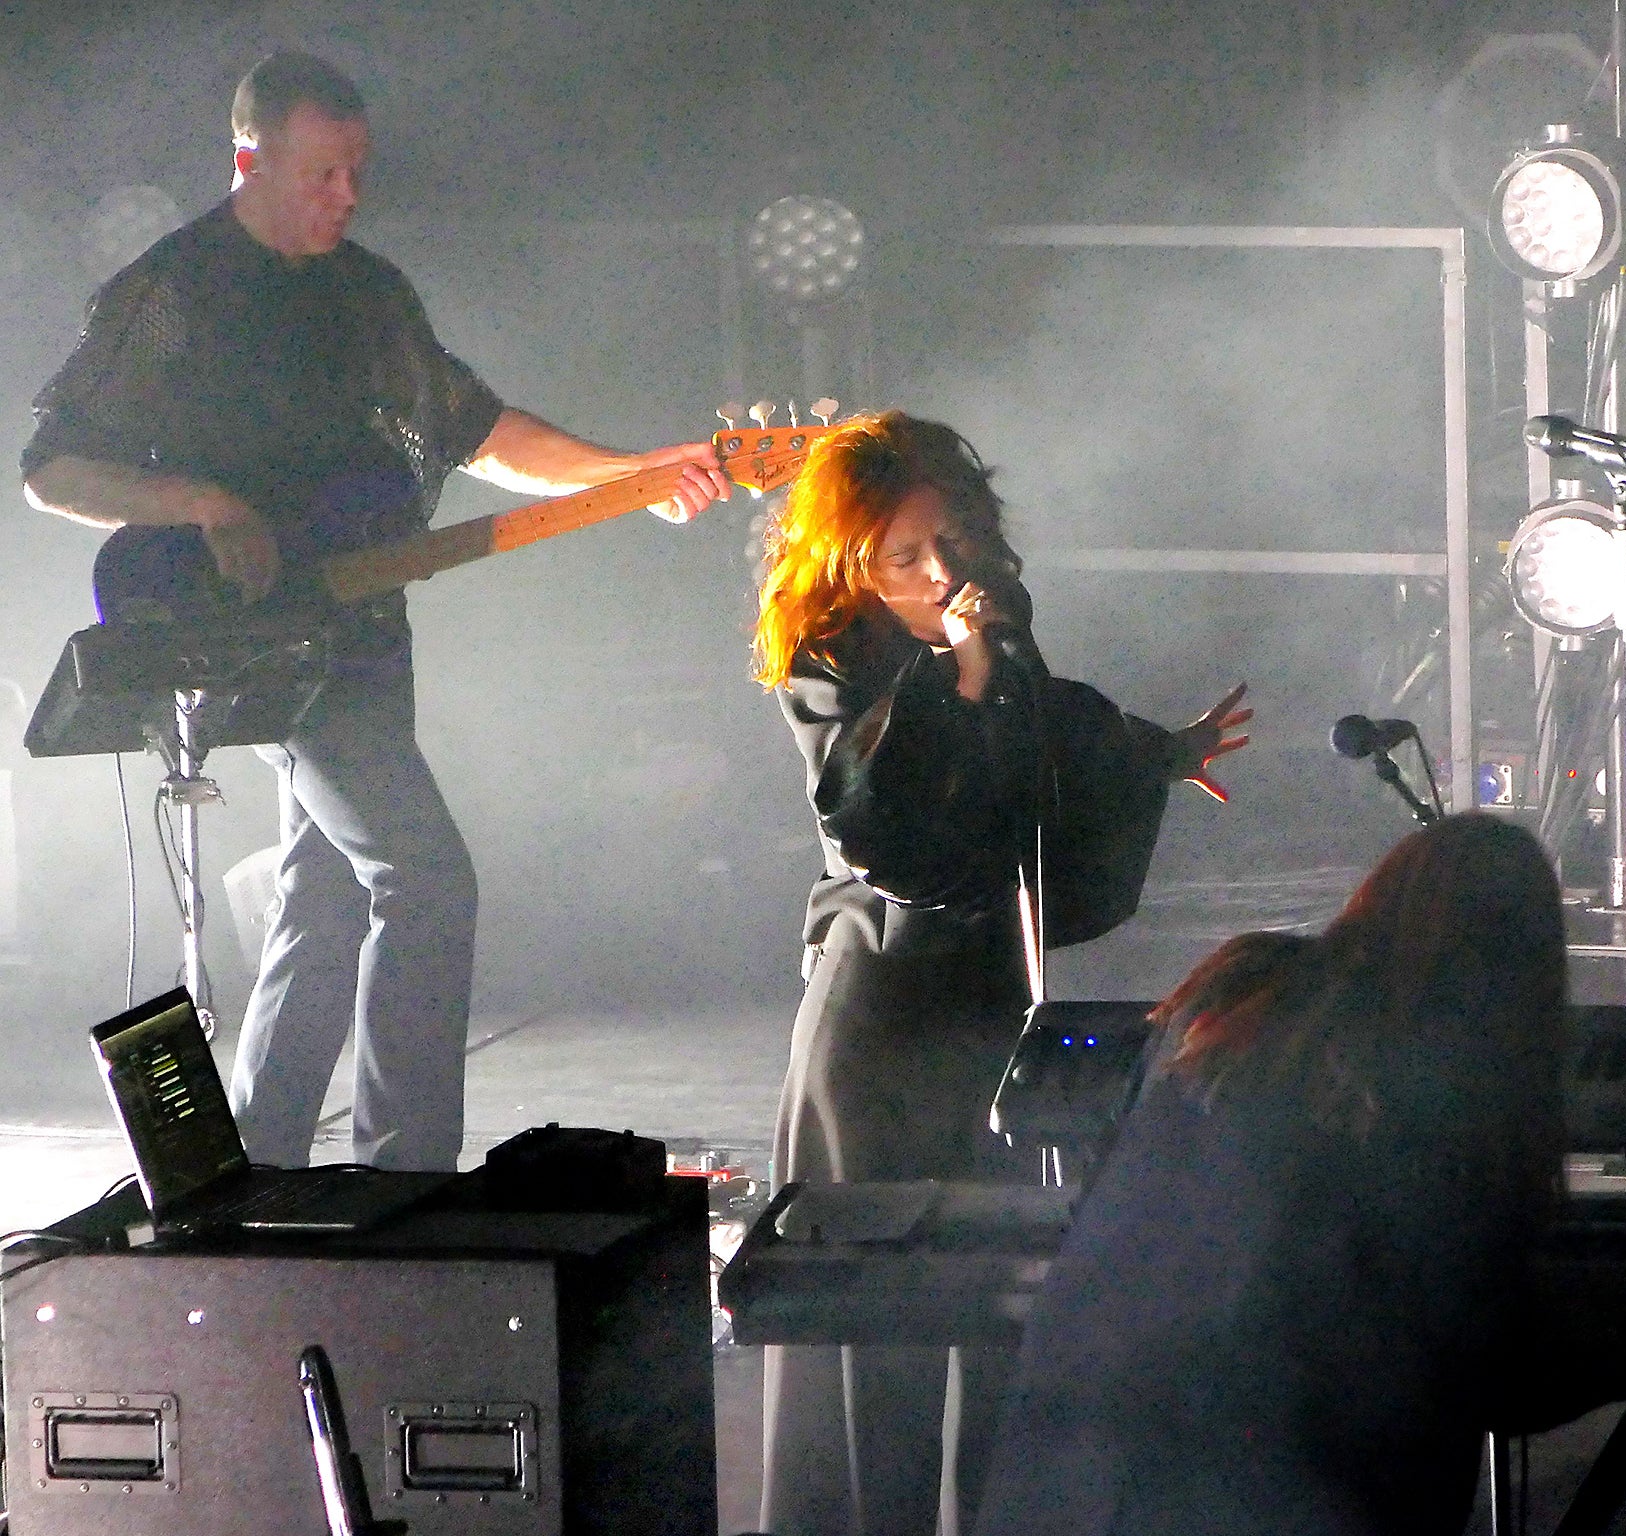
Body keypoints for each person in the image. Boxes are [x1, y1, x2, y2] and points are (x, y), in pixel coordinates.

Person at [20, 51, 729, 1171]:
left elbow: (483, 432)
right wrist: (203, 502)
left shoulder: (370, 293)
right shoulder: (170, 291)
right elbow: (54, 470)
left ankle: (259, 1166)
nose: (346, 197)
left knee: (327, 898)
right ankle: (410, 1174)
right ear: (247, 156)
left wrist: (635, 472)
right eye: (321, 174)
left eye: (356, 173)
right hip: (257, 646)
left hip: (363, 628)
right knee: (424, 876)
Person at [751, 409, 1251, 1536]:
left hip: (991, 1006)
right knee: (874, 1341)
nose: (942, 575)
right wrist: (957, 673)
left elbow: (1059, 730)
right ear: (850, 564)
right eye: (906, 559)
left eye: (951, 544)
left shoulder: (995, 622)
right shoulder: (830, 662)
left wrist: (1161, 753)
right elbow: (880, 828)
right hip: (880, 1022)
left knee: (1002, 1309)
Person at [973, 813, 1567, 1536]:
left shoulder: (1235, 984)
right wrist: (1622, 1373)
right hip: (1279, 1491)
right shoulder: (1440, 1062)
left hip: (1072, 1477)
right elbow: (1460, 1345)